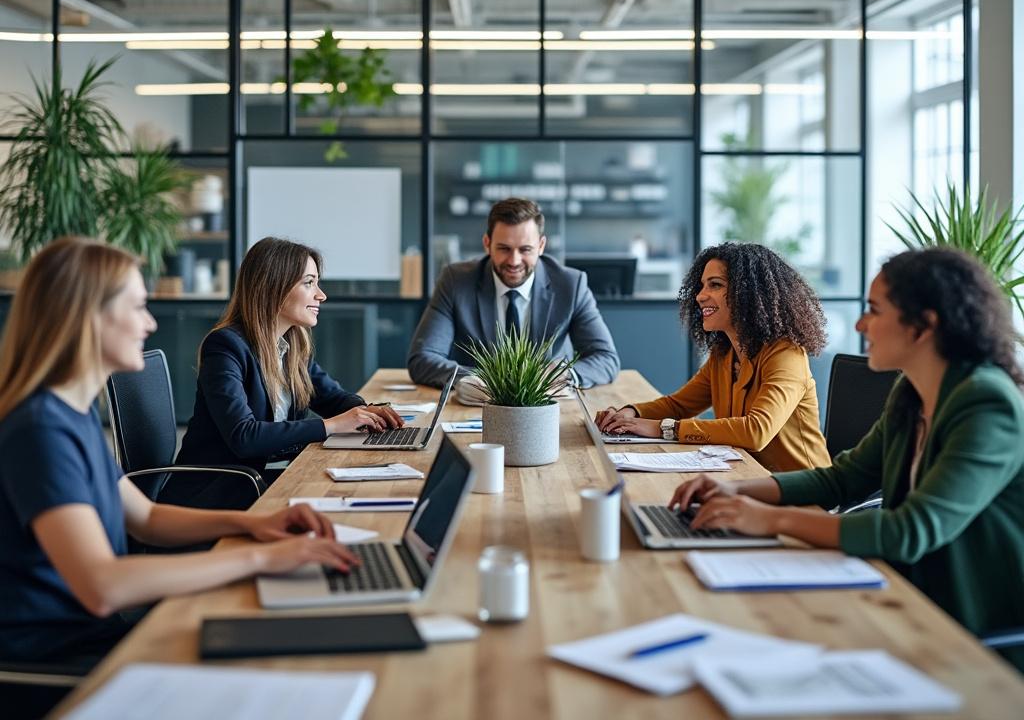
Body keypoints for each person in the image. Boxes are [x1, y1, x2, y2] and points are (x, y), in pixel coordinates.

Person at [0, 237, 358, 666]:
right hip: (62, 661)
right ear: (87, 318)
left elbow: (146, 518)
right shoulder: (40, 430)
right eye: (137, 307)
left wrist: (258, 523)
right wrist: (261, 555)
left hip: (100, 637)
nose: (150, 324)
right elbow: (103, 585)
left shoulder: (70, 415)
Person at [671, 248, 1024, 670]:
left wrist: (768, 518)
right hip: (900, 597)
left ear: (925, 325)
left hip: (969, 635)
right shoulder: (911, 394)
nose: (860, 324)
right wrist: (733, 489)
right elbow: (839, 479)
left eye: (874, 310)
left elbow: (909, 531)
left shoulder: (986, 404)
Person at [163, 237, 402, 510]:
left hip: (258, 480)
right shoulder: (226, 346)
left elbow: (332, 398)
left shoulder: (291, 347)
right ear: (273, 287)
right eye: (309, 283)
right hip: (212, 494)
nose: (320, 295)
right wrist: (334, 425)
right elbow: (245, 437)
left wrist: (367, 412)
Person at [596, 242, 829, 472]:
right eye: (701, 286)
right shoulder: (724, 353)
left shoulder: (786, 354)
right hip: (750, 481)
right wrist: (629, 414)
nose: (700, 296)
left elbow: (756, 431)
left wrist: (663, 428)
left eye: (715, 285)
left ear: (748, 293)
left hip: (805, 496)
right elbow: (678, 405)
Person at [406, 197, 620, 389]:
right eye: (504, 249)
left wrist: (564, 375)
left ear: (541, 246)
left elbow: (606, 359)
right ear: (487, 244)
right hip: (478, 407)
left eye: (525, 249)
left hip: (550, 408)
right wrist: (485, 380)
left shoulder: (571, 285)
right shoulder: (455, 281)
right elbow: (423, 359)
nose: (514, 261)